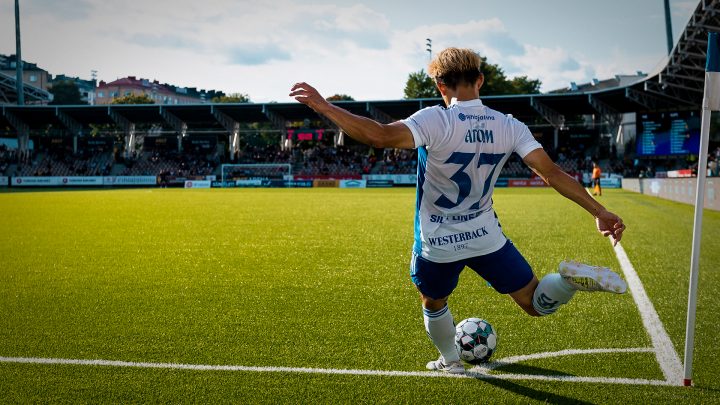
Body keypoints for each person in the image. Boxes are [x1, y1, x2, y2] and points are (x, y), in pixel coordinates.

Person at [290, 47, 627, 375]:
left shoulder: (435, 120)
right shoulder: (509, 125)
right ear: (479, 80)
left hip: (438, 241)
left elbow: (378, 136)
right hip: (485, 236)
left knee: (433, 301)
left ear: (440, 85)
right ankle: (566, 283)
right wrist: (598, 210)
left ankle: (450, 361)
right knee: (535, 303)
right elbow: (552, 173)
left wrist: (324, 105)